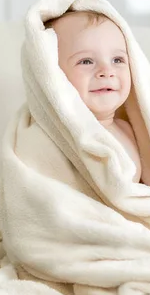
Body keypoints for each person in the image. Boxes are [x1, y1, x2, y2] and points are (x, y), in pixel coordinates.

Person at [45, 10, 142, 183]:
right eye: (86, 61)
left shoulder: (129, 131)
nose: (107, 71)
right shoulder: (49, 138)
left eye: (117, 60)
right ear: (52, 74)